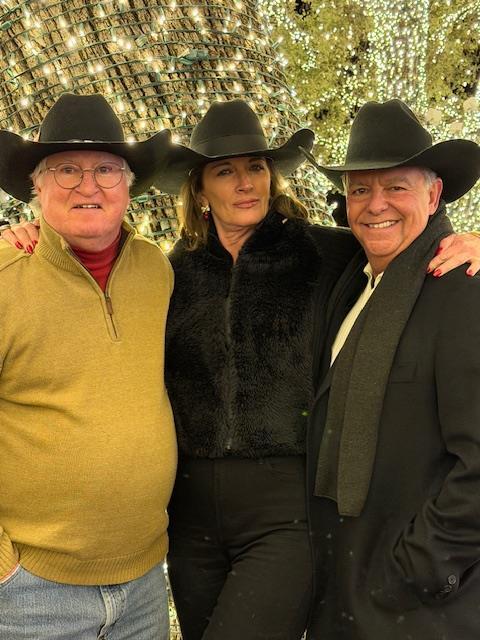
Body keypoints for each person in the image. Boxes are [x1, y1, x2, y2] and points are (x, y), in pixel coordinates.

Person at [4, 98, 480, 640]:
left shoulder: (326, 255)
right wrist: (25, 237)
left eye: (256, 166)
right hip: (190, 518)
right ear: (200, 190)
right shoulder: (169, 272)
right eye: (225, 171)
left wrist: (466, 240)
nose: (245, 182)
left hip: (283, 510)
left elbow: (399, 247)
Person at [0, 93, 177, 640]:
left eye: (105, 169)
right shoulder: (5, 277)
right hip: (31, 593)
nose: (88, 186)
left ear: (128, 185)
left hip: (145, 584)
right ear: (37, 187)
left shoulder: (156, 270)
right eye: (66, 170)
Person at [304, 98, 480, 639]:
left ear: (434, 195)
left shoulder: (463, 289)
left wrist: (419, 569)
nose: (376, 204)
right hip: (344, 592)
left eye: (396, 187)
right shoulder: (350, 284)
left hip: (419, 608)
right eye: (360, 189)